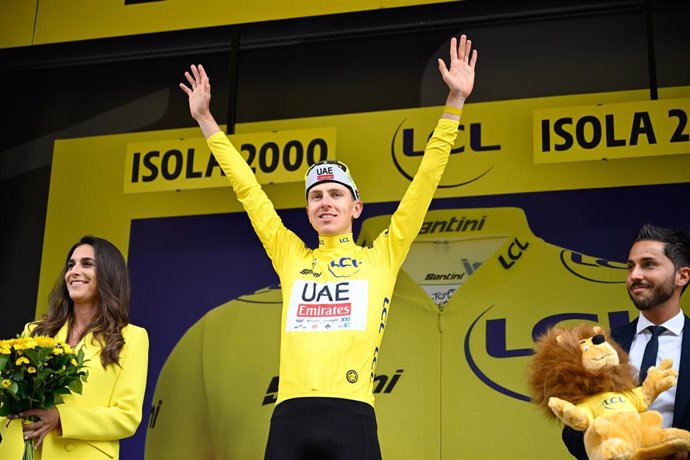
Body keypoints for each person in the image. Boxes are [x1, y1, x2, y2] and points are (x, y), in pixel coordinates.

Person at [179, 35, 477, 459]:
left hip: (352, 415)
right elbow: (248, 191)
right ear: (307, 209)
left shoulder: (381, 257)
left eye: (336, 195)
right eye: (316, 196)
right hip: (289, 417)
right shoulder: (292, 257)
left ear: (356, 207)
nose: (325, 203)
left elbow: (424, 183)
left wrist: (454, 103)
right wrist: (207, 120)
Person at [0, 236, 149, 460]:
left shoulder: (132, 338)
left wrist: (61, 418)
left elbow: (126, 417)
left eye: (87, 264)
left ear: (109, 275)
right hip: (20, 451)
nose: (74, 271)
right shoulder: (34, 332)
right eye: (71, 265)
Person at [562, 224, 690, 459]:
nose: (635, 276)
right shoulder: (604, 347)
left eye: (648, 264)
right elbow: (573, 432)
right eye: (630, 267)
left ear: (682, 276)